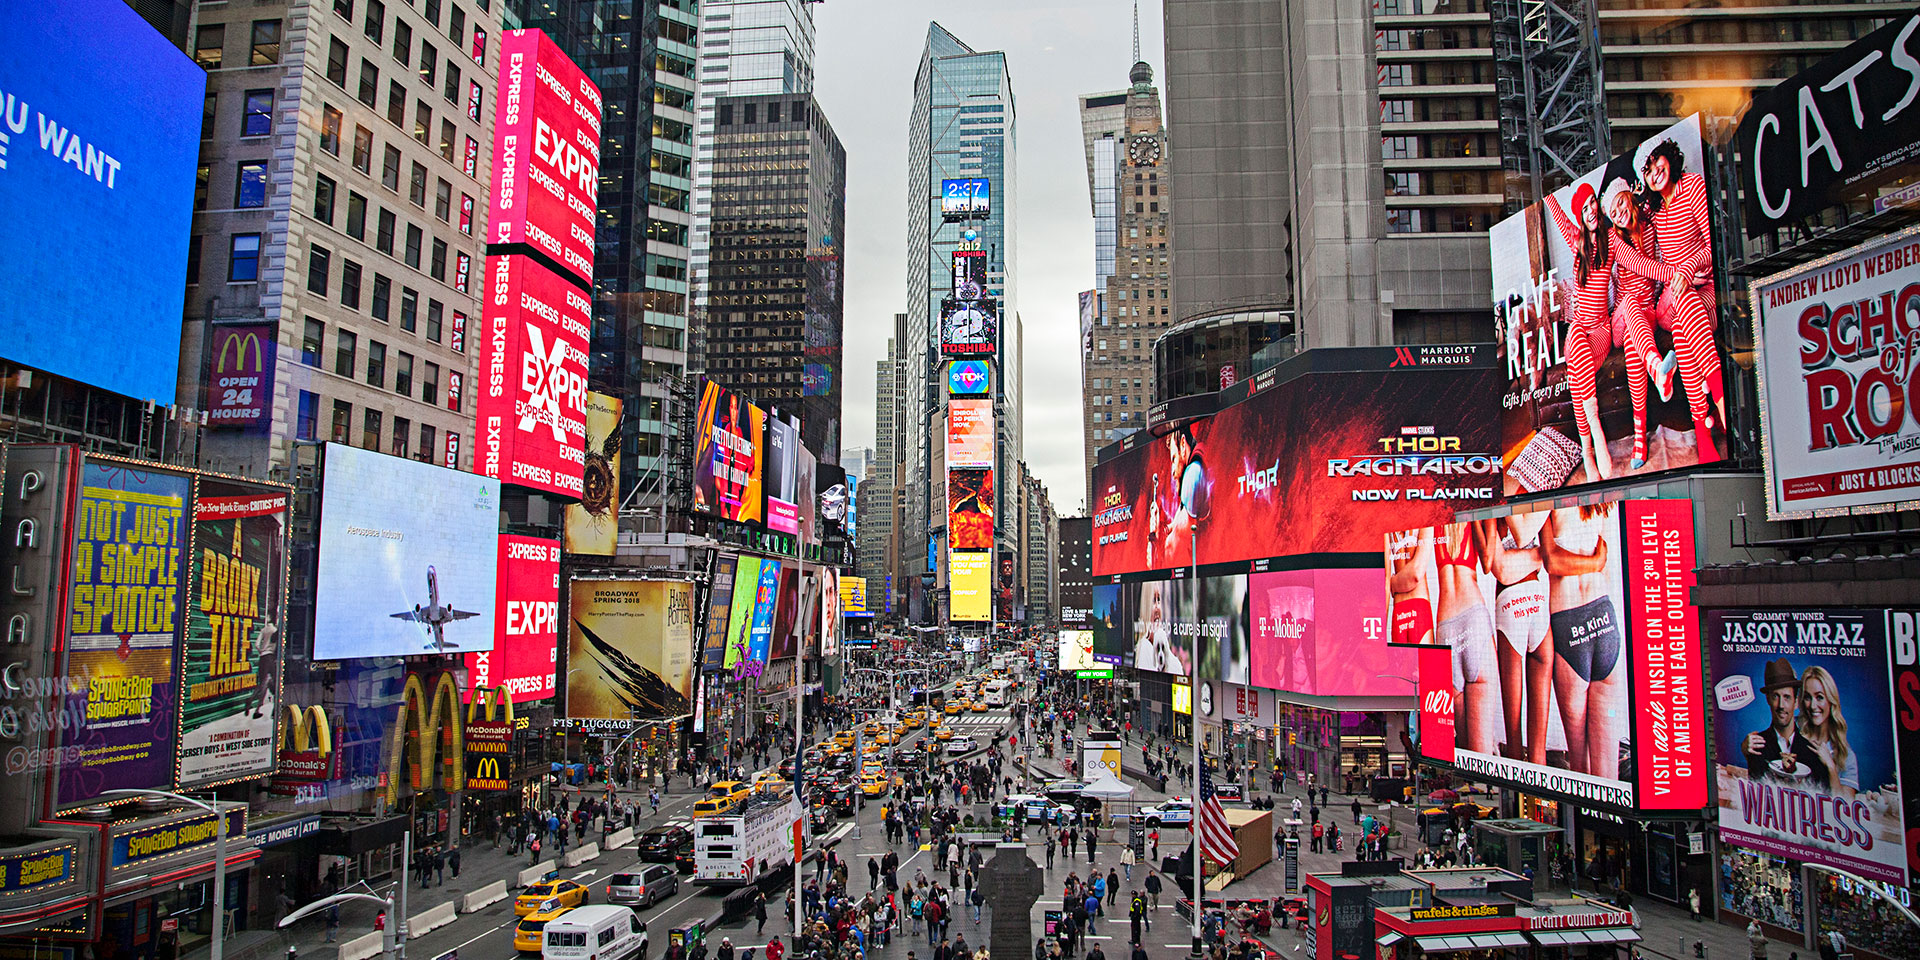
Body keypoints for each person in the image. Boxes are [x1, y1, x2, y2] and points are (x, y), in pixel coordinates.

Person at [1543, 504, 1627, 778]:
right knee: (1607, 769)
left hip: (1571, 625)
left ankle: (1584, 820)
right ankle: (1611, 821)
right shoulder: (1600, 500)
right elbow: (1602, 557)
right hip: (1604, 618)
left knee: (1580, 764)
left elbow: (1552, 561)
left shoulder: (1547, 501)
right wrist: (1595, 563)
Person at [1797, 665, 1856, 798]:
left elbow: (1847, 808)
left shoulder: (1846, 756)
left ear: (1831, 700)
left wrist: (1830, 767)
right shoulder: (1791, 733)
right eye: (1807, 697)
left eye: (1819, 697)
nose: (1812, 706)